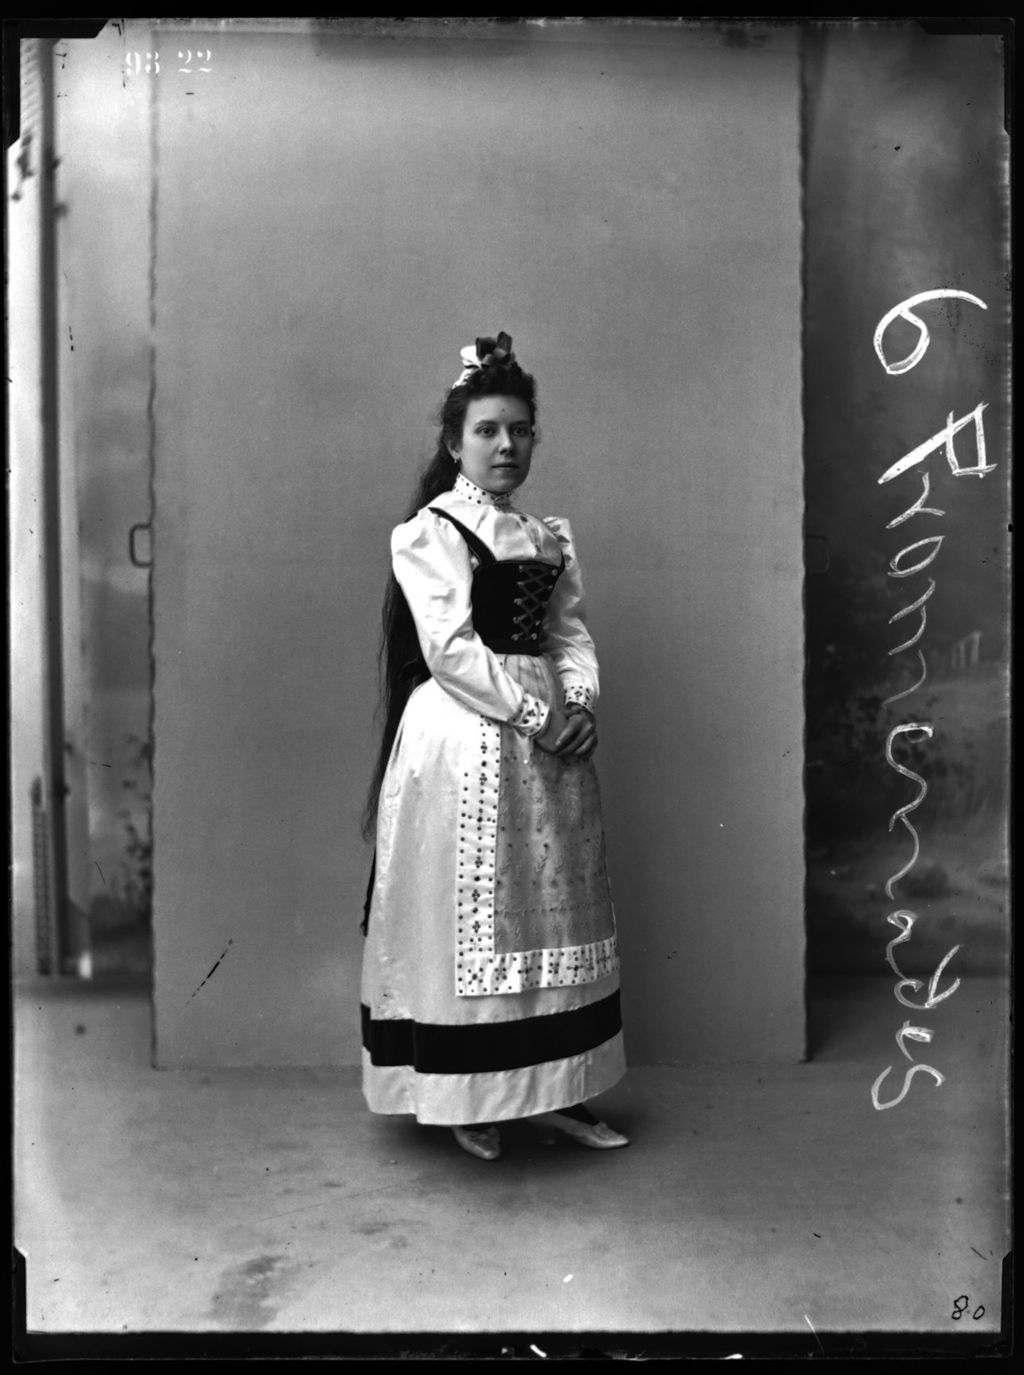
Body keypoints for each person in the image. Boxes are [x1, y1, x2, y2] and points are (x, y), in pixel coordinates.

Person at [361, 333, 627, 1161]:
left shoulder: (545, 536)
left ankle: (557, 1082)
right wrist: (536, 715)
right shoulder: (432, 531)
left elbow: (567, 633)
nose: (506, 444)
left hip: (547, 740)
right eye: (487, 430)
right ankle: (469, 1093)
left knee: (546, 909)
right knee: (474, 911)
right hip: (469, 737)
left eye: (519, 429)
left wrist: (577, 702)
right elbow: (450, 650)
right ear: (455, 443)